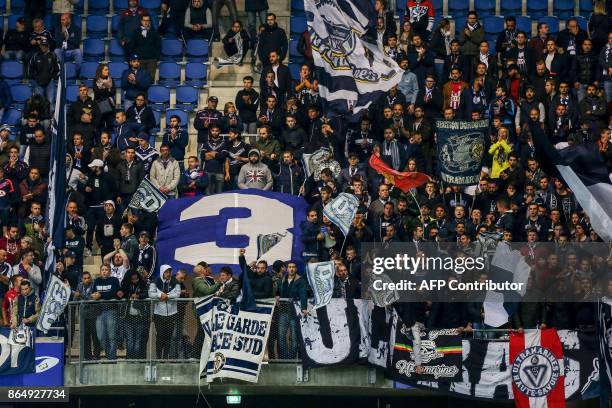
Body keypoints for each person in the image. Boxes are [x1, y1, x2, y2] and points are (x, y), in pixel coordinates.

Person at [276, 260, 308, 359]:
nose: (291, 269)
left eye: (293, 267)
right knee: (281, 336)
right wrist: (277, 295)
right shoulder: (282, 279)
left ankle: (292, 357)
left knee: (294, 337)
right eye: (289, 267)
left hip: (295, 312)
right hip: (283, 311)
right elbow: (278, 291)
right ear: (287, 268)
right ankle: (285, 358)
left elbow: (303, 294)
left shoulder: (301, 280)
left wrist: (303, 308)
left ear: (296, 269)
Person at [149, 264, 181, 359]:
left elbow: (177, 294)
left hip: (172, 314)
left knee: (169, 337)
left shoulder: (175, 281)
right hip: (159, 314)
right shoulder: (155, 281)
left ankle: (166, 357)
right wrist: (160, 295)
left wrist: (167, 296)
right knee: (160, 336)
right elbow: (151, 294)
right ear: (162, 272)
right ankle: (158, 357)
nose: (168, 274)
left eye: (169, 272)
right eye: (166, 272)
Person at [121, 270, 149, 359]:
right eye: (132, 279)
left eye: (136, 279)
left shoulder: (143, 284)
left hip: (139, 317)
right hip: (128, 317)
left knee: (137, 341)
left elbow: (147, 293)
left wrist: (138, 296)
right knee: (129, 341)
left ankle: (136, 359)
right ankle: (129, 359)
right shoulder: (126, 285)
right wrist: (120, 294)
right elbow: (121, 294)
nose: (134, 281)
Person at [27, 38, 59, 109]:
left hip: (50, 83)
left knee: (51, 102)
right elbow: (30, 69)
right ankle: (39, 118)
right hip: (38, 83)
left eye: (45, 45)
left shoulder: (53, 55)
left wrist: (53, 78)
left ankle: (51, 118)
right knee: (38, 102)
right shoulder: (35, 56)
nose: (44, 47)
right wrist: (34, 81)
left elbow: (57, 69)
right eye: (42, 45)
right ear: (40, 46)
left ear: (48, 46)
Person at [129, 15, 161, 80]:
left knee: (150, 79)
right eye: (144, 20)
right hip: (139, 60)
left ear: (150, 22)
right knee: (139, 79)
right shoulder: (136, 32)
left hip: (152, 60)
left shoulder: (154, 32)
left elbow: (158, 46)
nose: (146, 22)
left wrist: (157, 58)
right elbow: (132, 46)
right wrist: (134, 58)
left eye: (148, 20)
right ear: (141, 21)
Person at [93, 64, 116, 132]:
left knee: (110, 125)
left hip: (110, 104)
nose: (107, 71)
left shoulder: (111, 79)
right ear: (100, 71)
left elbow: (113, 92)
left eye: (108, 69)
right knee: (100, 125)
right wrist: (108, 90)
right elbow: (97, 93)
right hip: (100, 104)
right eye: (105, 70)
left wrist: (104, 90)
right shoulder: (95, 80)